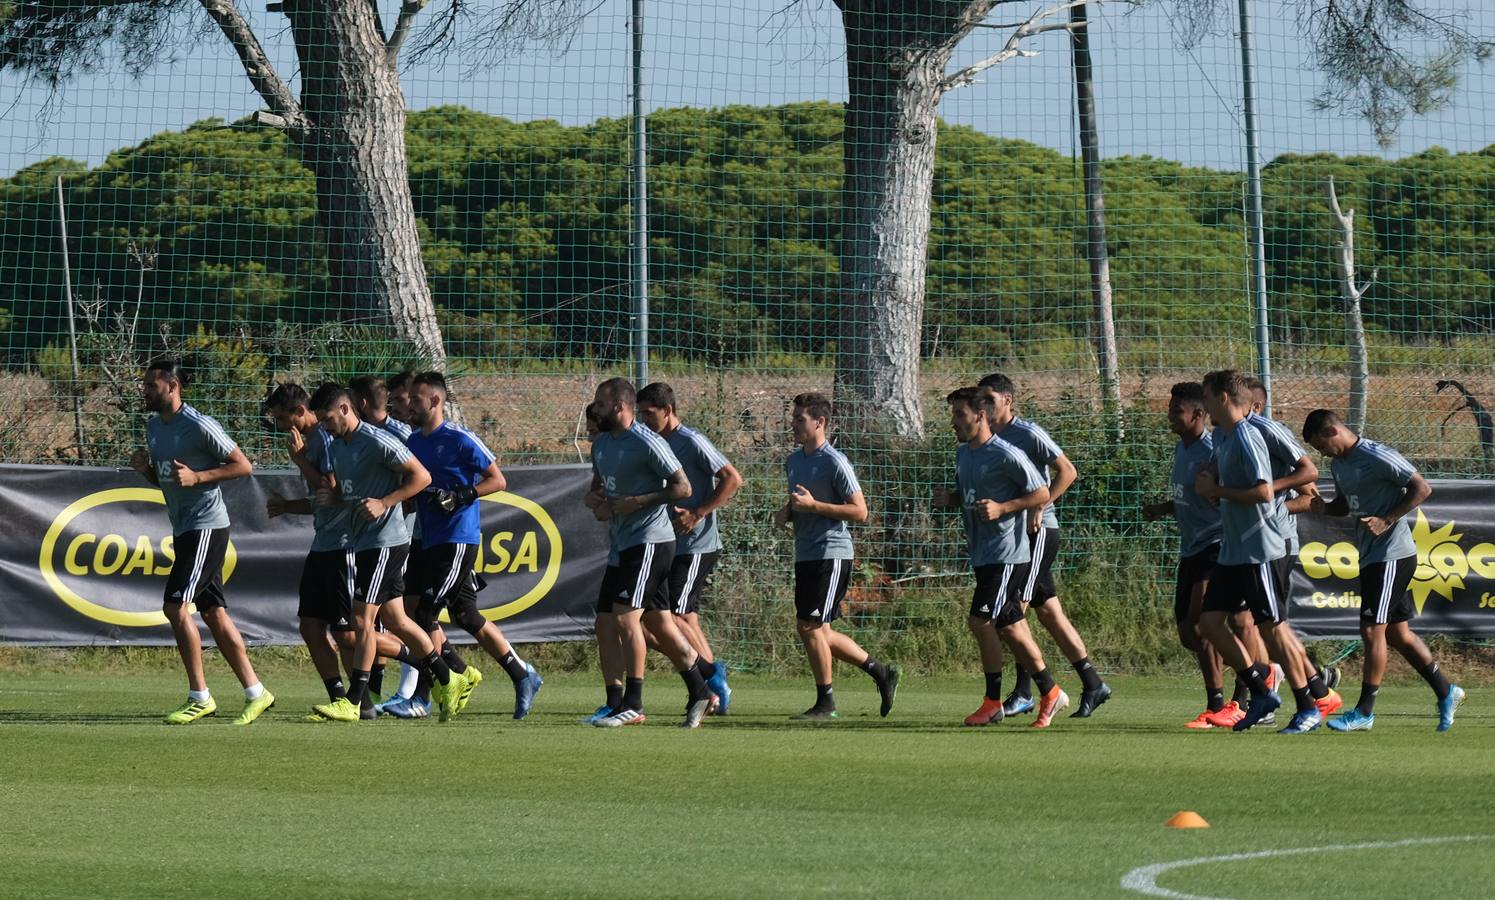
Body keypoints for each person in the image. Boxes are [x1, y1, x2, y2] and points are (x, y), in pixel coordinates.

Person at [305, 383, 469, 723]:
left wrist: (385, 502)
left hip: (386, 541)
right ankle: (449, 676)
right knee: (396, 620)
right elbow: (353, 492)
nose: (324, 425)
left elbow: (421, 478)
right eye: (320, 420)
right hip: (365, 542)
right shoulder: (338, 447)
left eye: (327, 418)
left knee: (362, 620)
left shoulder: (378, 440)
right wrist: (335, 499)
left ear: (347, 409)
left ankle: (354, 700)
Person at [130, 357, 274, 725]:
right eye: (145, 385)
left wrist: (199, 477)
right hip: (184, 528)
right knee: (213, 613)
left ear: (172, 387)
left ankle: (200, 696)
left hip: (206, 526)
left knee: (176, 607)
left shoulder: (199, 425)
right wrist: (147, 471)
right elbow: (167, 481)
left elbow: (243, 465)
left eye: (151, 385)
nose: (145, 391)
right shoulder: (153, 427)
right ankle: (257, 692)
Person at [1303, 409, 1466, 732]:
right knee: (1397, 633)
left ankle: (1365, 711)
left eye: (1321, 446)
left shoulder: (1376, 455)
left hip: (1392, 554)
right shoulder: (1339, 464)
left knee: (1371, 631)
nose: (1321, 455)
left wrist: (1386, 519)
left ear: (1333, 431)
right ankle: (1446, 690)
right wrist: (1324, 507)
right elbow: (1345, 505)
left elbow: (1421, 488)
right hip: (1372, 556)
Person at [405, 371, 544, 719]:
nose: (410, 404)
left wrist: (462, 494)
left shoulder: (460, 438)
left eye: (416, 399)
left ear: (435, 401)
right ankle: (522, 674)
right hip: (428, 540)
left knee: (425, 613)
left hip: (457, 539)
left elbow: (498, 479)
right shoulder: (412, 441)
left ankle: (427, 693)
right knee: (465, 615)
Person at [976, 374, 1110, 718]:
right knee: (1048, 612)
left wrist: (1041, 504)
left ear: (1008, 400)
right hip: (1015, 536)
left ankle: (1025, 692)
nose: (984, 405)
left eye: (990, 398)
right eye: (981, 400)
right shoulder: (986, 438)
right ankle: (1093, 682)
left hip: (1038, 532)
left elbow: (1067, 471)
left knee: (1012, 612)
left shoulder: (1028, 433)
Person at [1193, 370, 1319, 734]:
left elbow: (1264, 493)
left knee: (1273, 630)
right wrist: (1213, 485)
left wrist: (1218, 490)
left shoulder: (1249, 437)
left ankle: (1308, 705)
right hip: (1234, 550)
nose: (1203, 405)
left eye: (1206, 397)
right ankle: (1261, 692)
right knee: (1209, 624)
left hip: (1258, 548)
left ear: (1222, 398)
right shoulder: (1224, 436)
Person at [584, 378, 714, 728]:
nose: (594, 409)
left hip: (651, 541)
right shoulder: (601, 446)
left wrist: (639, 502)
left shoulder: (647, 442)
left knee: (627, 619)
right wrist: (597, 502)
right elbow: (598, 491)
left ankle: (634, 704)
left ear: (618, 406)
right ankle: (700, 688)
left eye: (599, 403)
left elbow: (682, 487)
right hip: (622, 544)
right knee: (628, 621)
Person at [934, 387, 1068, 727]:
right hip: (983, 553)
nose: (953, 422)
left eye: (959, 415)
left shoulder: (1006, 453)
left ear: (979, 416)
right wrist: (950, 499)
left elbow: (1039, 492)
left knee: (980, 621)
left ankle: (992, 702)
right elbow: (971, 495)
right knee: (1010, 627)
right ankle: (1051, 692)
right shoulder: (965, 454)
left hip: (1007, 553)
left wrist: (1004, 508)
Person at [774, 392, 900, 721]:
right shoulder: (794, 460)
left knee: (811, 626)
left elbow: (860, 511)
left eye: (800, 420)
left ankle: (826, 703)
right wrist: (787, 512)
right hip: (806, 553)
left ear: (820, 423)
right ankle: (880, 672)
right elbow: (801, 503)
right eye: (793, 419)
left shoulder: (835, 461)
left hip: (832, 553)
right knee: (818, 630)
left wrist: (815, 507)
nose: (794, 424)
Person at [1241, 375, 1343, 717]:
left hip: (1276, 544)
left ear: (1253, 405)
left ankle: (1272, 697)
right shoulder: (1236, 438)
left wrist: (1267, 504)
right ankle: (1316, 685)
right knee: (1253, 622)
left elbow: (1308, 494)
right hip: (1246, 543)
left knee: (1265, 624)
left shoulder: (1269, 434)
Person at [635, 382, 741, 712]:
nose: (644, 419)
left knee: (677, 614)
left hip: (696, 544)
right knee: (670, 619)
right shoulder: (650, 442)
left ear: (668, 410)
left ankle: (711, 684)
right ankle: (711, 678)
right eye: (640, 413)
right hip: (665, 543)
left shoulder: (692, 441)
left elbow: (732, 478)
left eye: (649, 413)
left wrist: (698, 513)